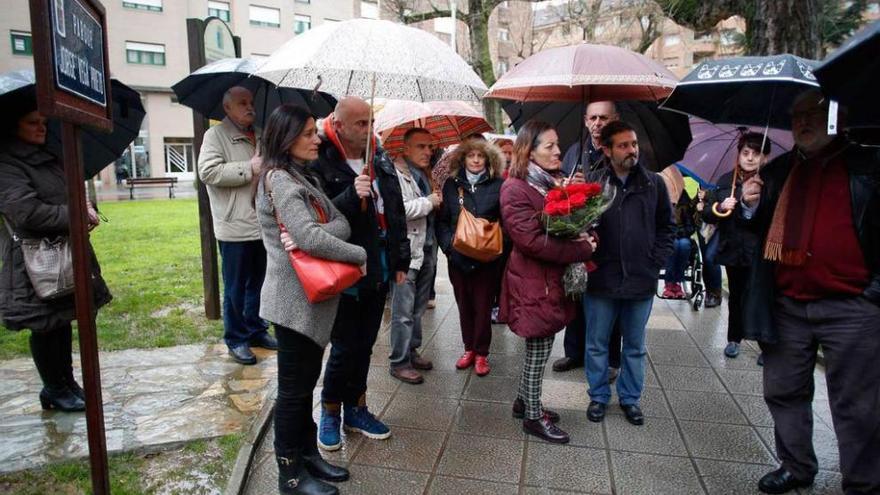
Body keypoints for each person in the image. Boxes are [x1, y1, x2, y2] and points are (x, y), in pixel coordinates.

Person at [739, 90, 880, 495]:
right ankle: (796, 466)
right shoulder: (780, 170)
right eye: (797, 115)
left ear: (837, 115)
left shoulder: (866, 166)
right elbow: (756, 232)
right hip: (787, 303)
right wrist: (749, 205)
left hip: (852, 304)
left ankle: (865, 481)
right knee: (782, 389)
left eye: (813, 114)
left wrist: (874, 294)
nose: (803, 122)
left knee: (857, 403)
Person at [255, 105, 367, 495]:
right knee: (293, 392)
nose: (316, 138)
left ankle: (307, 456)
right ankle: (289, 474)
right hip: (293, 303)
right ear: (285, 138)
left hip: (310, 300)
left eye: (313, 131)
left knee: (304, 386)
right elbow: (311, 238)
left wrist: (316, 229)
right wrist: (357, 254)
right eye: (306, 133)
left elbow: (340, 222)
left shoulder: (302, 177)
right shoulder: (281, 182)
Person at [310, 97, 410, 452]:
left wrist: (401, 259)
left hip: (378, 264)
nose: (370, 130)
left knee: (366, 344)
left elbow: (395, 209)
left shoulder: (378, 157)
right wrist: (352, 195)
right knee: (344, 347)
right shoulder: (319, 160)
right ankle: (331, 410)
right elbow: (317, 220)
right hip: (344, 268)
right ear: (337, 125)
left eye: (371, 122)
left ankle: (357, 407)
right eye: (361, 124)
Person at [0, 98, 112, 413]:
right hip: (34, 260)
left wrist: (86, 207)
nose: (41, 128)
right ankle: (53, 387)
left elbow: (70, 194)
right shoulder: (8, 164)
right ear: (14, 125)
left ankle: (66, 382)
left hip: (63, 252)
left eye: (43, 123)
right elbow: (26, 212)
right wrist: (74, 214)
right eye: (32, 123)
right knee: (45, 325)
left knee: (61, 322)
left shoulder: (49, 157)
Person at [499, 120, 596, 443]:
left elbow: (559, 224)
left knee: (539, 347)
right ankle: (533, 417)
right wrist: (580, 247)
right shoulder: (515, 188)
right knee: (539, 350)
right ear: (529, 151)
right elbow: (530, 241)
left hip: (548, 281)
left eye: (558, 145)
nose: (558, 151)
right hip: (532, 284)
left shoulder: (548, 182)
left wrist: (577, 207)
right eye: (549, 146)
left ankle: (523, 400)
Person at [583, 120, 674, 426]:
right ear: (606, 150)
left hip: (640, 279)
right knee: (596, 342)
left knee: (634, 346)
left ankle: (630, 399)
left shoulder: (654, 184)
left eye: (633, 144)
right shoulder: (594, 183)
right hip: (601, 278)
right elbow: (581, 227)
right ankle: (598, 396)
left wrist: (655, 261)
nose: (631, 150)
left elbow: (667, 228)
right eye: (623, 145)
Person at [198, 86, 276, 365]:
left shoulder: (260, 133)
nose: (249, 107)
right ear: (227, 108)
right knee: (235, 287)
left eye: (251, 101)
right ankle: (236, 338)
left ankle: (256, 329)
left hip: (262, 223)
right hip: (235, 225)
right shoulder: (215, 135)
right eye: (242, 103)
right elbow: (207, 171)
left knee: (259, 282)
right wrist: (249, 167)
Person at [554, 100, 623, 376]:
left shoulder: (622, 151)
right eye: (593, 118)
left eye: (603, 118)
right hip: (579, 238)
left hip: (611, 239)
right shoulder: (574, 151)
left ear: (614, 119)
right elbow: (560, 188)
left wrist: (591, 190)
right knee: (576, 296)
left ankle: (610, 360)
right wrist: (567, 188)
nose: (598, 124)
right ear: (585, 121)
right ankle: (574, 353)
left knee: (608, 303)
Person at [436, 138, 504, 376]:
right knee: (464, 305)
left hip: (488, 259)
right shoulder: (451, 185)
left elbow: (505, 222)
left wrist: (497, 247)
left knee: (484, 306)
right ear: (462, 158)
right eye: (471, 155)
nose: (475, 160)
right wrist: (449, 248)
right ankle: (469, 348)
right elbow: (442, 221)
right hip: (459, 259)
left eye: (480, 156)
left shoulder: (499, 184)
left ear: (488, 159)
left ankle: (482, 353)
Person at [704, 132, 770, 358]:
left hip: (760, 250)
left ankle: (765, 344)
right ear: (739, 155)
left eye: (756, 153)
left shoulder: (770, 183)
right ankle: (734, 338)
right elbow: (707, 214)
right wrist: (722, 207)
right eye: (746, 153)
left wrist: (753, 203)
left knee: (760, 295)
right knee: (736, 295)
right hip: (733, 248)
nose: (750, 158)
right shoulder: (726, 180)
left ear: (765, 157)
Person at [388, 128, 441, 384]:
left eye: (429, 147)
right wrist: (430, 202)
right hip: (406, 252)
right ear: (405, 148)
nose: (428, 152)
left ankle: (412, 350)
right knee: (403, 311)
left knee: (418, 309)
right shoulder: (395, 173)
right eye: (421, 146)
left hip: (426, 248)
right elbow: (398, 210)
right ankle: (399, 362)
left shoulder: (425, 174)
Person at [661, 190, 696, 299]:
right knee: (674, 245)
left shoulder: (684, 204)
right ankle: (670, 283)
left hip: (682, 235)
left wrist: (682, 232)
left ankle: (678, 281)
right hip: (667, 237)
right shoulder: (662, 203)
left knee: (684, 245)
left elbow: (690, 226)